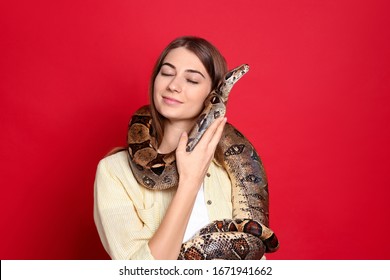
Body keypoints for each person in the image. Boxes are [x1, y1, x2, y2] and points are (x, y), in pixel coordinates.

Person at [94, 36, 246, 259]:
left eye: (192, 80)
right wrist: (190, 182)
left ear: (213, 94)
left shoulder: (229, 170)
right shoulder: (114, 172)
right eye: (166, 73)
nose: (173, 86)